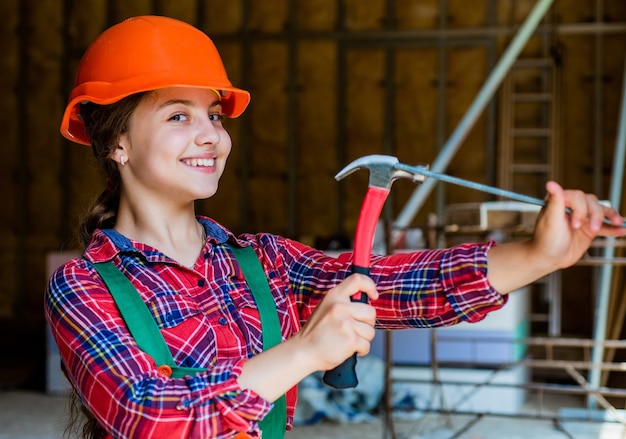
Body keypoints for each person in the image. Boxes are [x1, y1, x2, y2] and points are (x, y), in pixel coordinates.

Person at [45, 15, 626, 439]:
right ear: (115, 141)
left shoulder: (261, 262)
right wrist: (306, 351)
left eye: (215, 116)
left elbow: (392, 287)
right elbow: (149, 414)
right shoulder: (84, 286)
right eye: (179, 115)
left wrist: (540, 255)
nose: (212, 136)